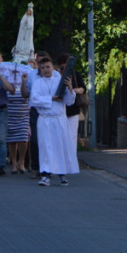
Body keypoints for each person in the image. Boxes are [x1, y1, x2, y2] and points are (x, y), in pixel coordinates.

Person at [25, 54, 77, 187]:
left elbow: (69, 101)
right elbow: (33, 100)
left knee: (60, 146)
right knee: (46, 146)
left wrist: (70, 87)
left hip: (59, 119)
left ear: (52, 67)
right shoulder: (37, 83)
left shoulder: (60, 80)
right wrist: (51, 98)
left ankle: (62, 174)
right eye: (42, 68)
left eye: (48, 67)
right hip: (45, 119)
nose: (46, 70)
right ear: (40, 70)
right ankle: (45, 174)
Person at [0, 61, 32, 174]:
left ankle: (21, 162)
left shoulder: (26, 79)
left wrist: (23, 81)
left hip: (23, 115)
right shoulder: (7, 80)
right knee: (11, 140)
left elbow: (25, 94)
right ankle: (13, 163)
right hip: (10, 114)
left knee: (23, 139)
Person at [56, 52, 87, 150]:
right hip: (59, 110)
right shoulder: (55, 76)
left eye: (66, 67)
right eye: (62, 68)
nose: (64, 70)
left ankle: (72, 157)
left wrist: (73, 90)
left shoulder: (74, 74)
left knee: (72, 136)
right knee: (60, 137)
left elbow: (83, 89)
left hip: (73, 110)